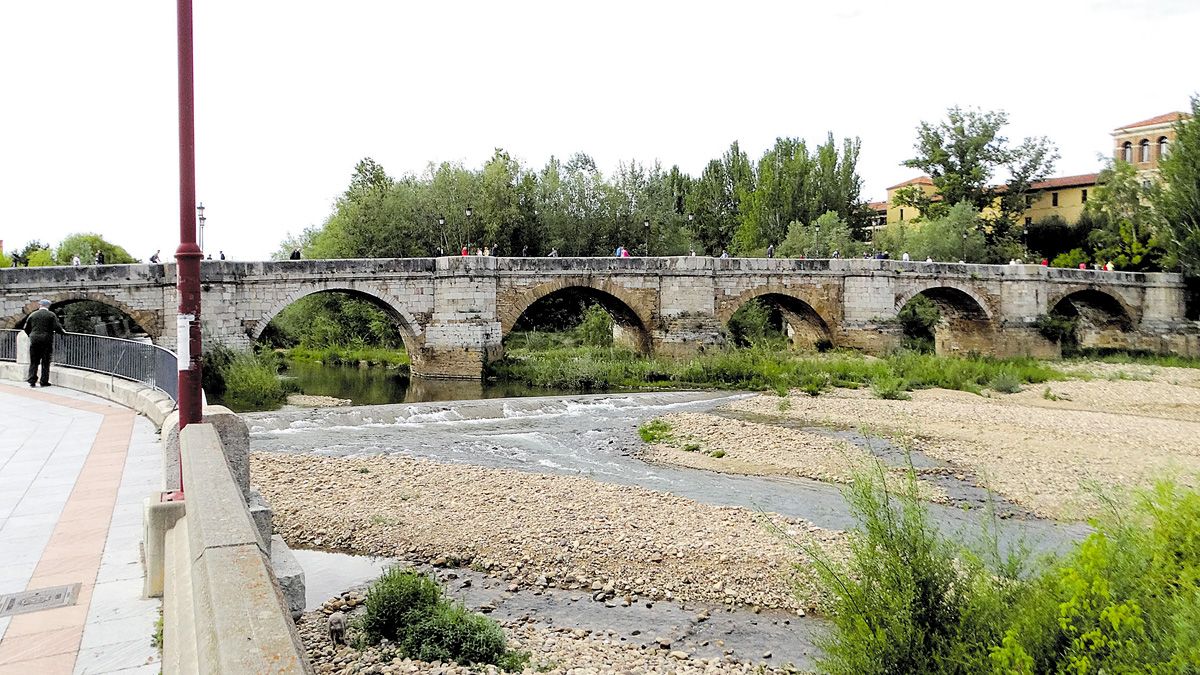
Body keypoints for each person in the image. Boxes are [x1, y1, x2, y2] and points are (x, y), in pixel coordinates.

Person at [24, 299, 66, 387]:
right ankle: (44, 381)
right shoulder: (51, 315)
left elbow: (26, 328)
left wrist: (31, 335)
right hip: (46, 340)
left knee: (34, 361)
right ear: (48, 306)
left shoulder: (33, 315)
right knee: (45, 361)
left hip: (34, 340)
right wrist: (63, 333)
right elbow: (57, 327)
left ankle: (32, 379)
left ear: (40, 305)